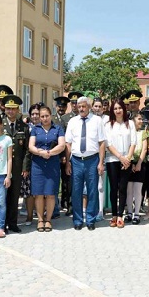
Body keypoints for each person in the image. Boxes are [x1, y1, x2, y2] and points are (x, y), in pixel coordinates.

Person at [65, 96, 106, 231]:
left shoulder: (97, 121)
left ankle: (90, 219)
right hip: (76, 160)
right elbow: (68, 143)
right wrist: (68, 163)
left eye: (84, 106)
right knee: (76, 191)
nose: (81, 109)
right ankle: (77, 220)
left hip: (92, 160)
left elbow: (101, 143)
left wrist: (100, 162)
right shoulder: (72, 121)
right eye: (79, 106)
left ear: (89, 107)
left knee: (92, 190)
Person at [29, 106, 66, 232]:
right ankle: (40, 220)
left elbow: (61, 145)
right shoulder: (35, 129)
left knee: (50, 194)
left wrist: (49, 152)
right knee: (38, 194)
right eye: (42, 116)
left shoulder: (58, 129)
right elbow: (31, 146)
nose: (44, 119)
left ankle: (48, 220)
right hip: (38, 164)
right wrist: (40, 153)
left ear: (51, 115)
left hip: (52, 164)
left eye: (47, 116)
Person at [104, 98, 137, 228]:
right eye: (115, 108)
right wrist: (120, 157)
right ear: (112, 110)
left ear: (124, 109)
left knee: (123, 188)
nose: (118, 111)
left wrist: (127, 158)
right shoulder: (108, 125)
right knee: (113, 188)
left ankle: (120, 216)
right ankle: (113, 215)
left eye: (120, 108)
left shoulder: (130, 124)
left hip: (127, 161)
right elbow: (108, 144)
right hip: (112, 160)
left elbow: (133, 142)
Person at [1, 94, 31, 233]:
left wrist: (25, 167)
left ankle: (12, 223)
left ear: (18, 110)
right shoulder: (0, 125)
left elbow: (26, 150)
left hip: (18, 167)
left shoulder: (23, 127)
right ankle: (2, 224)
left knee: (14, 197)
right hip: (2, 167)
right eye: (8, 109)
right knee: (3, 197)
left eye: (13, 109)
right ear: (4, 109)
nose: (11, 111)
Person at [125, 113, 147, 224]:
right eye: (139, 119)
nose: (141, 121)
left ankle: (136, 213)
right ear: (133, 120)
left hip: (140, 164)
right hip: (129, 163)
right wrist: (131, 162)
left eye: (141, 119)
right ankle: (129, 212)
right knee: (129, 190)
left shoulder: (143, 133)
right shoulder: (128, 132)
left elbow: (144, 150)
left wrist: (138, 163)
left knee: (138, 190)